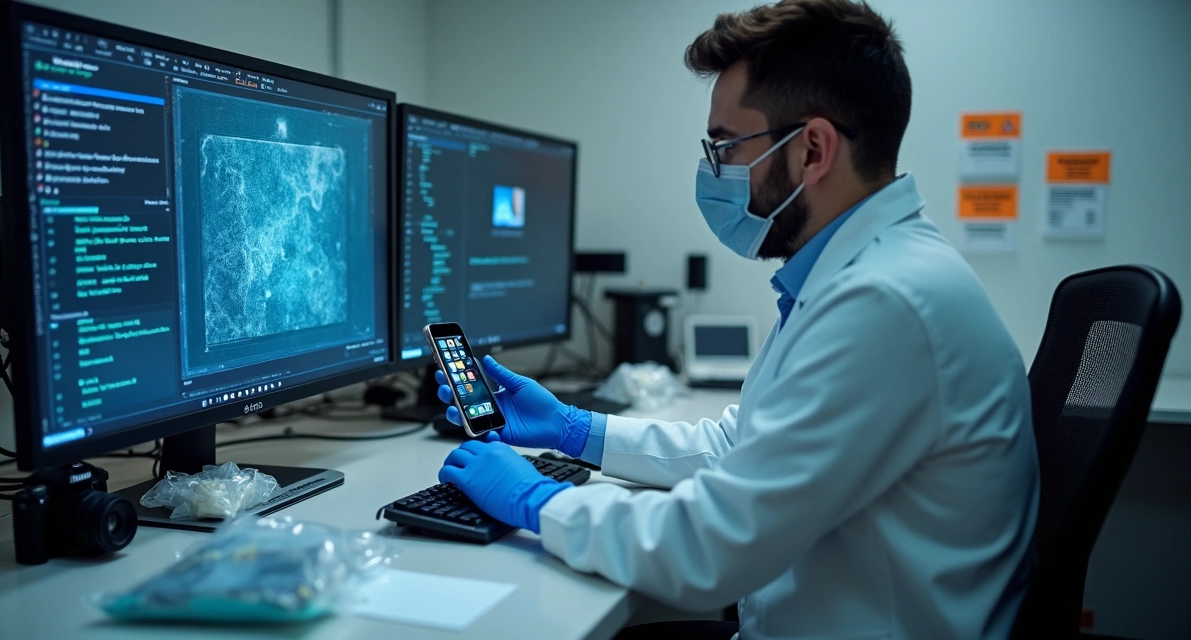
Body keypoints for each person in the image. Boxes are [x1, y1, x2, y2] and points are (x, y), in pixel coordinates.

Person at [435, 1, 1039, 638]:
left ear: (812, 149)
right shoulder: (857, 274)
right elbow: (743, 449)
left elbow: (710, 549)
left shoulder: (886, 303)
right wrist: (576, 429)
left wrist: (538, 500)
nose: (711, 170)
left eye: (725, 147)